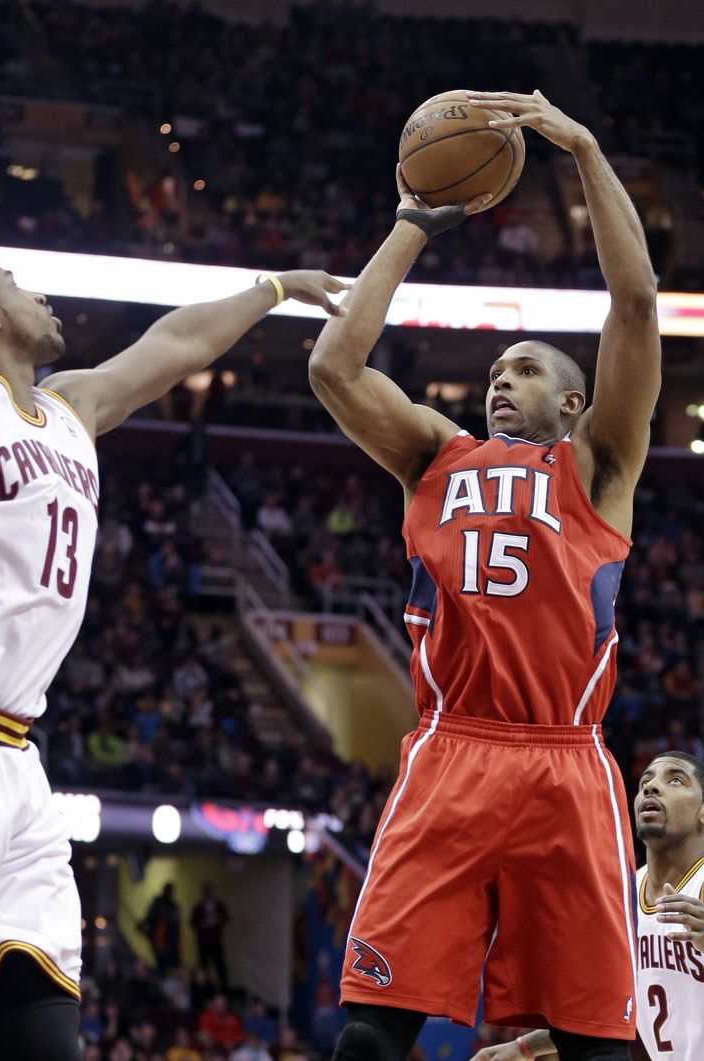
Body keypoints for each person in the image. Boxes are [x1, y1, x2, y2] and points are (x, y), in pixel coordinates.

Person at [0, 257, 347, 1060]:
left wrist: (276, 289)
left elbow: (178, 341)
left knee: (41, 1019)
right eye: (15, 283)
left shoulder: (70, 407)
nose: (37, 294)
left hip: (14, 753)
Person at [308, 89, 661, 1061]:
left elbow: (633, 305)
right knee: (368, 1037)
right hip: (448, 751)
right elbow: (335, 368)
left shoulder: (599, 465)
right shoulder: (434, 451)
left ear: (576, 399)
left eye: (525, 369)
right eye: (495, 370)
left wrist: (585, 151)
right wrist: (409, 228)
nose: (503, 379)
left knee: (593, 1041)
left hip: (565, 756)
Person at [469, 751, 704, 1061]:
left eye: (675, 780)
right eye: (645, 781)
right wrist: (523, 1048)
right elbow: (603, 1012)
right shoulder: (623, 896)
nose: (651, 787)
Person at [190, 882, 230, 991]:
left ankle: (225, 991)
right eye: (206, 892)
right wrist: (201, 924)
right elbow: (193, 923)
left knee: (220, 968)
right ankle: (206, 990)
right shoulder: (199, 907)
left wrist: (218, 919)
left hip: (216, 942)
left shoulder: (218, 905)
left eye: (210, 892)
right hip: (204, 943)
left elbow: (226, 917)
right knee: (204, 968)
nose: (208, 894)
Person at [139, 882, 182, 975]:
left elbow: (177, 925)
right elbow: (150, 916)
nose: (169, 892)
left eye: (171, 890)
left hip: (170, 941)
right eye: (168, 890)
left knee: (172, 967)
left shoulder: (173, 906)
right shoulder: (158, 903)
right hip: (158, 938)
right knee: (162, 965)